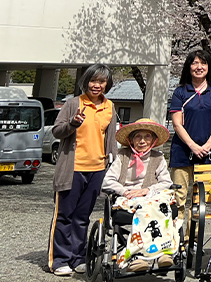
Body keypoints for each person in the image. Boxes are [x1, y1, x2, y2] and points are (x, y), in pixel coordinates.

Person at [48, 64, 117, 276]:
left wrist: (113, 165)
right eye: (93, 81)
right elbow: (57, 131)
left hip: (97, 169)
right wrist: (72, 123)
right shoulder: (72, 104)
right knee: (64, 215)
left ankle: (78, 257)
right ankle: (59, 259)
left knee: (82, 217)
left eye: (101, 81)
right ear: (85, 81)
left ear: (107, 84)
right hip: (73, 168)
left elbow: (111, 138)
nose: (97, 85)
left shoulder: (109, 106)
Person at [102, 119, 177, 273]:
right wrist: (124, 191)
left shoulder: (158, 157)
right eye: (138, 137)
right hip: (127, 198)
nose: (142, 141)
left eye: (147, 137)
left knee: (158, 207)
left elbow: (166, 181)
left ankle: (164, 253)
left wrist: (147, 190)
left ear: (153, 140)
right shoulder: (122, 156)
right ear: (131, 140)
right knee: (144, 209)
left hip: (150, 196)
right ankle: (138, 256)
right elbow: (107, 181)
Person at [168, 50, 211, 239]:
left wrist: (209, 143)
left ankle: (192, 238)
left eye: (203, 63)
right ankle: (176, 239)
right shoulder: (180, 91)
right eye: (194, 63)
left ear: (209, 67)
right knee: (178, 198)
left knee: (199, 199)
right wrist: (193, 145)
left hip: (208, 152)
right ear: (188, 67)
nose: (199, 67)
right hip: (182, 151)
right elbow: (177, 123)